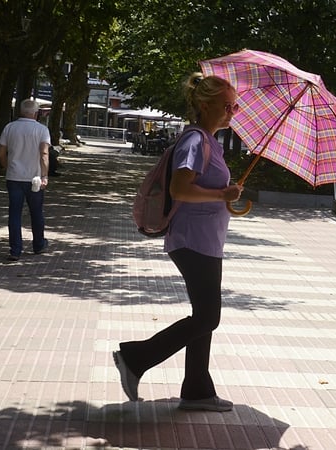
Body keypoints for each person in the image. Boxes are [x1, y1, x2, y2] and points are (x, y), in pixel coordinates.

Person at [113, 72, 243, 412]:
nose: (233, 111)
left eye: (236, 105)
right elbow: (180, 189)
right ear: (204, 104)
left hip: (205, 240)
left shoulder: (209, 141)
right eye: (227, 105)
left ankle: (198, 390)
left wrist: (224, 196)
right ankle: (135, 357)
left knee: (204, 314)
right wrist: (221, 193)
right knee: (208, 317)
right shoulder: (196, 141)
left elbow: (201, 189)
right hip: (192, 239)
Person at [0, 99, 51, 262]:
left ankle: (15, 249)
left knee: (14, 213)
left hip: (14, 177)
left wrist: (8, 167)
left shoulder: (10, 127)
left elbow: (0, 153)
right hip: (34, 178)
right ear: (36, 113)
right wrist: (45, 175)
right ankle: (38, 244)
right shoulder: (42, 130)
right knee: (36, 212)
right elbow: (44, 154)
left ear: (20, 111)